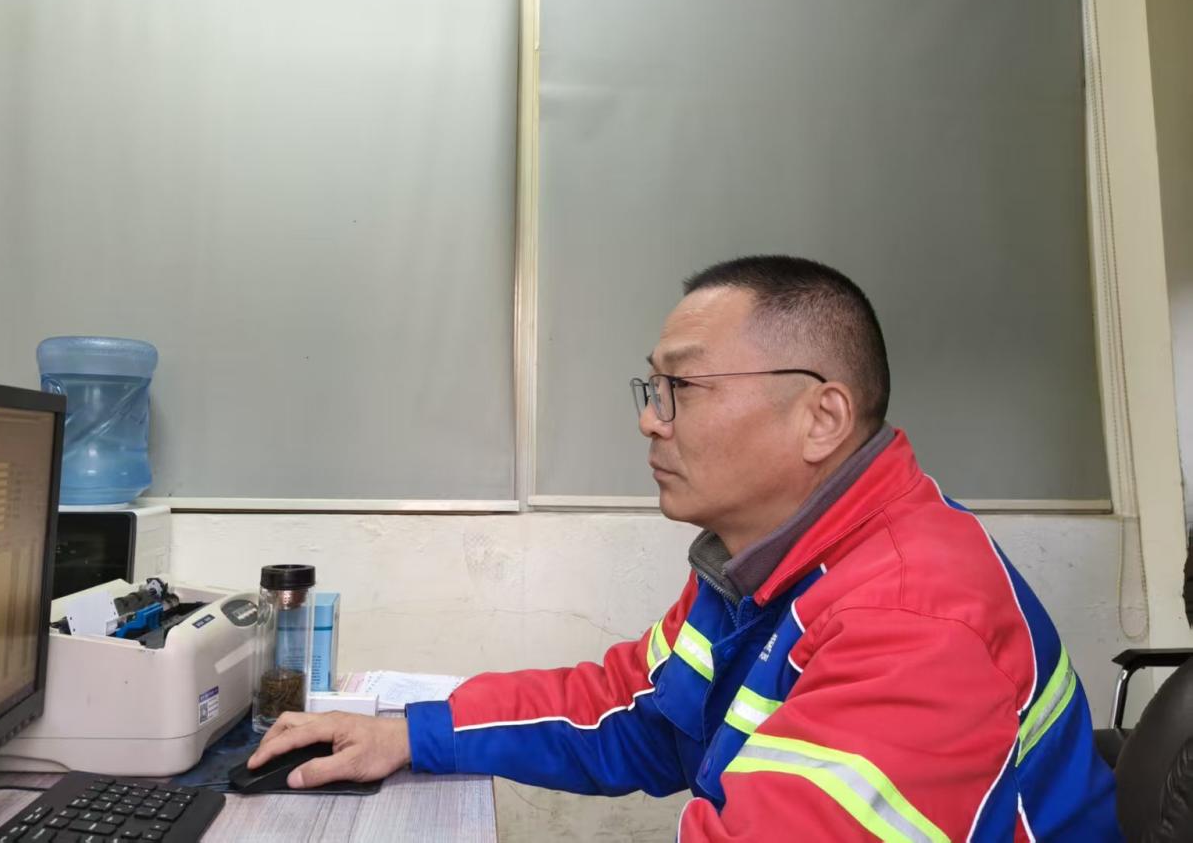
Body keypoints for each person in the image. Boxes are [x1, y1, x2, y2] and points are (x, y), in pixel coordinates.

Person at [249, 255, 1120, 840]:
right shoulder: (763, 560)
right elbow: (632, 710)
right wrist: (408, 734)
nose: (649, 418)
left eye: (682, 386)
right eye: (652, 385)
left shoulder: (913, 616)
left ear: (821, 416)